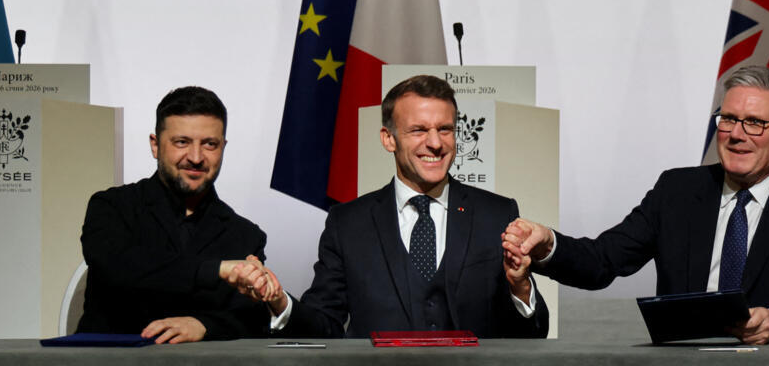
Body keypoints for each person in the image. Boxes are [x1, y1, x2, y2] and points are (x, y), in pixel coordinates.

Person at [503, 65, 769, 344]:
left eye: (754, 123)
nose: (736, 134)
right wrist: (548, 243)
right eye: (728, 119)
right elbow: (601, 261)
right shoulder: (677, 191)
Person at [229, 74, 548, 338]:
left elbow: (532, 334)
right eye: (419, 130)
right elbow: (324, 325)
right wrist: (279, 302)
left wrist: (521, 288)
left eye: (445, 129)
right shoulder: (347, 223)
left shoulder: (497, 214)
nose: (435, 143)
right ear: (388, 139)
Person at [77, 86, 269, 342]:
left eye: (209, 144)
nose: (196, 157)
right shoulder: (111, 207)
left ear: (223, 147)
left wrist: (204, 326)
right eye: (182, 142)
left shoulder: (246, 236)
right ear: (155, 145)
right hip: (108, 358)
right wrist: (216, 270)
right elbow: (119, 269)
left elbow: (253, 318)